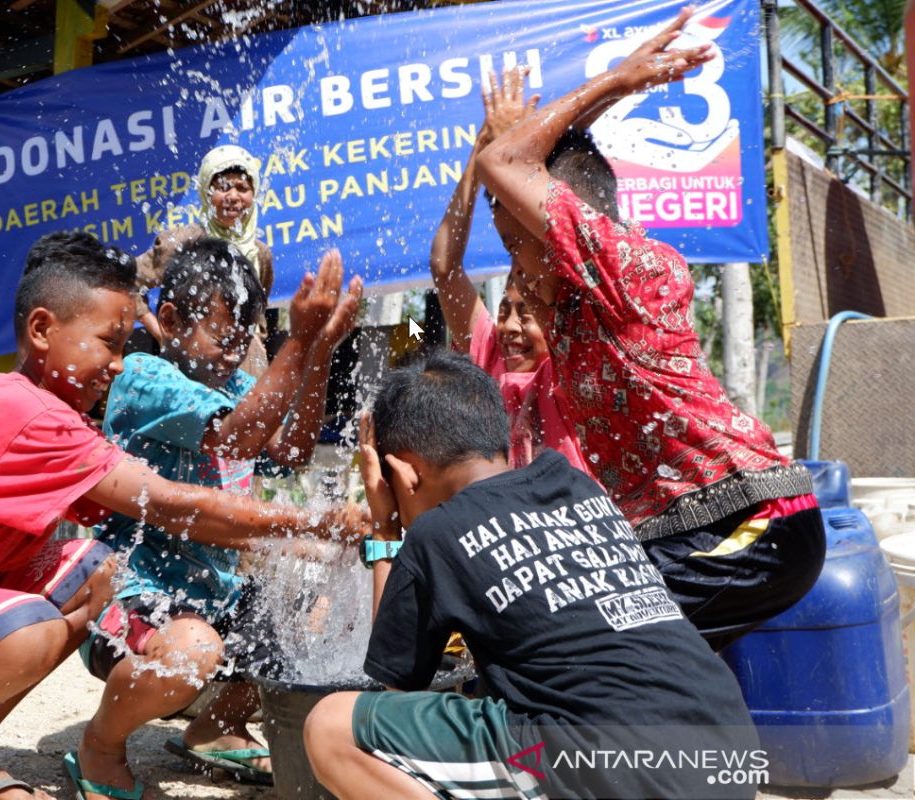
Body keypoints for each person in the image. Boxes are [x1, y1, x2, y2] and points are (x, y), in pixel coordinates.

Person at [0, 231, 366, 800]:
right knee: (32, 628)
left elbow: (254, 463)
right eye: (107, 342)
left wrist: (312, 351)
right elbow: (171, 502)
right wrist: (313, 522)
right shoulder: (35, 414)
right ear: (43, 330)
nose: (119, 364)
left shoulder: (49, 411)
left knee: (92, 568)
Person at [475, 7, 823, 652]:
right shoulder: (575, 304)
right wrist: (527, 133)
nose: (512, 265)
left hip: (747, 521)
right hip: (693, 531)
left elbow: (510, 162)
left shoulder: (625, 268)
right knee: (591, 658)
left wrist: (621, 81)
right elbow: (519, 162)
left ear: (560, 234)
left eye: (515, 242)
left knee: (571, 648)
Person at [303, 351, 760, 800]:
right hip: (728, 753)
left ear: (403, 473)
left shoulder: (437, 530)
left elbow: (396, 686)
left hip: (622, 771)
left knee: (332, 727)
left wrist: (386, 528)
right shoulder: (577, 488)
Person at [78, 237, 362, 790]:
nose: (235, 352)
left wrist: (322, 349)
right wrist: (299, 341)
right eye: (222, 335)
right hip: (133, 597)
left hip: (212, 596)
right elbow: (239, 438)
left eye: (244, 336)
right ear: (171, 319)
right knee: (195, 651)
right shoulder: (142, 377)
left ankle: (217, 726)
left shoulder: (231, 382)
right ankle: (100, 745)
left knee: (316, 601)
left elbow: (292, 448)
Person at [429, 67, 589, 475]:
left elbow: (565, 234)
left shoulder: (571, 368)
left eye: (528, 314)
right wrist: (480, 157)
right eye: (504, 310)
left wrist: (513, 162)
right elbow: (445, 269)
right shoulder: (488, 360)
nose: (511, 327)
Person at [134, 145, 274, 375]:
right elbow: (127, 283)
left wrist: (257, 346)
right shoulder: (181, 242)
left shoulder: (259, 254)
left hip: (248, 365)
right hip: (193, 362)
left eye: (242, 188)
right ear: (207, 192)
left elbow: (259, 312)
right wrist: (163, 335)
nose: (233, 197)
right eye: (223, 187)